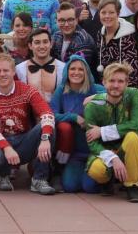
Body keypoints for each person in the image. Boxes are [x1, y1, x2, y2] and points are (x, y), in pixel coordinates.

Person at [0, 53, 56, 195]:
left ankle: (39, 179)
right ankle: (3, 175)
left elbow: (47, 113)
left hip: (23, 139)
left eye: (6, 70)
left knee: (47, 127)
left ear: (13, 72)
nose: (2, 74)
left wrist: (45, 139)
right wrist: (6, 148)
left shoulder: (27, 90)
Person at [83, 61, 138, 202]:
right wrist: (113, 158)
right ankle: (108, 180)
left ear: (127, 82)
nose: (116, 85)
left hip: (127, 148)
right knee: (96, 170)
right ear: (104, 82)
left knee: (133, 137)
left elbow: (136, 125)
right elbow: (92, 143)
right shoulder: (92, 106)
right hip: (105, 152)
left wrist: (103, 131)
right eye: (111, 81)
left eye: (120, 81)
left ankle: (132, 185)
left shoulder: (133, 94)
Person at [49, 55, 106, 194]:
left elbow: (113, 95)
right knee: (70, 187)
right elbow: (52, 114)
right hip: (75, 152)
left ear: (86, 72)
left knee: (90, 188)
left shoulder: (95, 89)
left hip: (95, 149)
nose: (76, 72)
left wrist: (93, 98)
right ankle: (64, 170)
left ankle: (106, 176)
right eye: (72, 68)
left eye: (81, 69)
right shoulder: (61, 90)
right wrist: (74, 117)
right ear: (67, 71)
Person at [97, 0, 138, 86]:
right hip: (106, 87)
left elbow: (132, 72)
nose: (107, 16)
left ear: (118, 13)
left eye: (111, 12)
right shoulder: (100, 35)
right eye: (103, 12)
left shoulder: (129, 36)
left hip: (126, 89)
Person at [15, 28, 65, 103]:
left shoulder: (63, 68)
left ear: (51, 44)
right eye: (37, 42)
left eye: (45, 42)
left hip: (55, 113)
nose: (42, 46)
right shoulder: (19, 69)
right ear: (30, 46)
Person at [52, 2, 99, 73]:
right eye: (61, 20)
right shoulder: (56, 36)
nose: (66, 24)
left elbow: (77, 72)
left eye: (70, 20)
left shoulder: (83, 40)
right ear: (56, 22)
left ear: (76, 20)